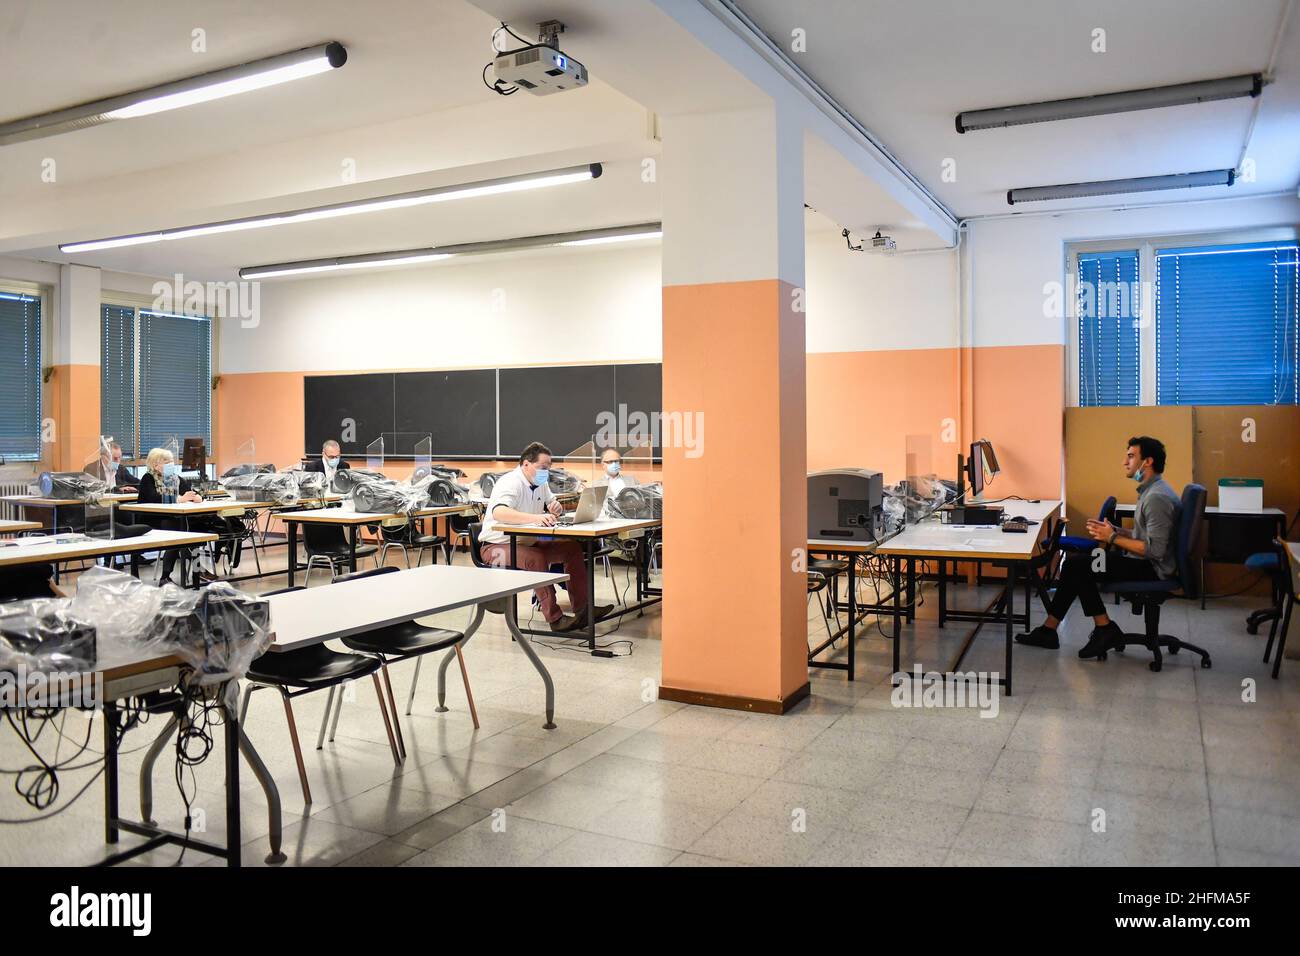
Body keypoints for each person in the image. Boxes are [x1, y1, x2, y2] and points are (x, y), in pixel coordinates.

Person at [1018, 435, 1182, 659]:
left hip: (1151, 568)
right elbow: (1147, 537)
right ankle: (1051, 629)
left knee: (1077, 566)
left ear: (1148, 462)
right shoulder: (1152, 491)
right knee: (1078, 566)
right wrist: (1117, 531)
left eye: (1131, 456)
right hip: (1145, 562)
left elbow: (1155, 550)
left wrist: (1112, 537)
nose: (1125, 462)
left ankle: (1103, 628)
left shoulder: (1156, 498)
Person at [479, 442, 612, 632]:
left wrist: (555, 507)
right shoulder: (510, 482)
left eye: (549, 467)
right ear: (526, 464)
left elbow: (551, 502)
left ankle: (583, 609)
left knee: (571, 548)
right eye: (543, 467)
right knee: (537, 558)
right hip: (496, 546)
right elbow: (500, 512)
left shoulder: (540, 482)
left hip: (527, 542)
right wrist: (537, 517)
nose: (547, 472)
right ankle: (555, 619)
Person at [138, 447, 238, 585]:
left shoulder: (175, 479)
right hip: (155, 519)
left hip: (176, 518)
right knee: (178, 532)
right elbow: (154, 497)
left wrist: (198, 497)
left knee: (190, 532)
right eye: (167, 461)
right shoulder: (147, 479)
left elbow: (190, 492)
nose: (171, 464)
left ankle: (196, 571)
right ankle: (169, 575)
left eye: (172, 461)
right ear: (155, 465)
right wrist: (179, 499)